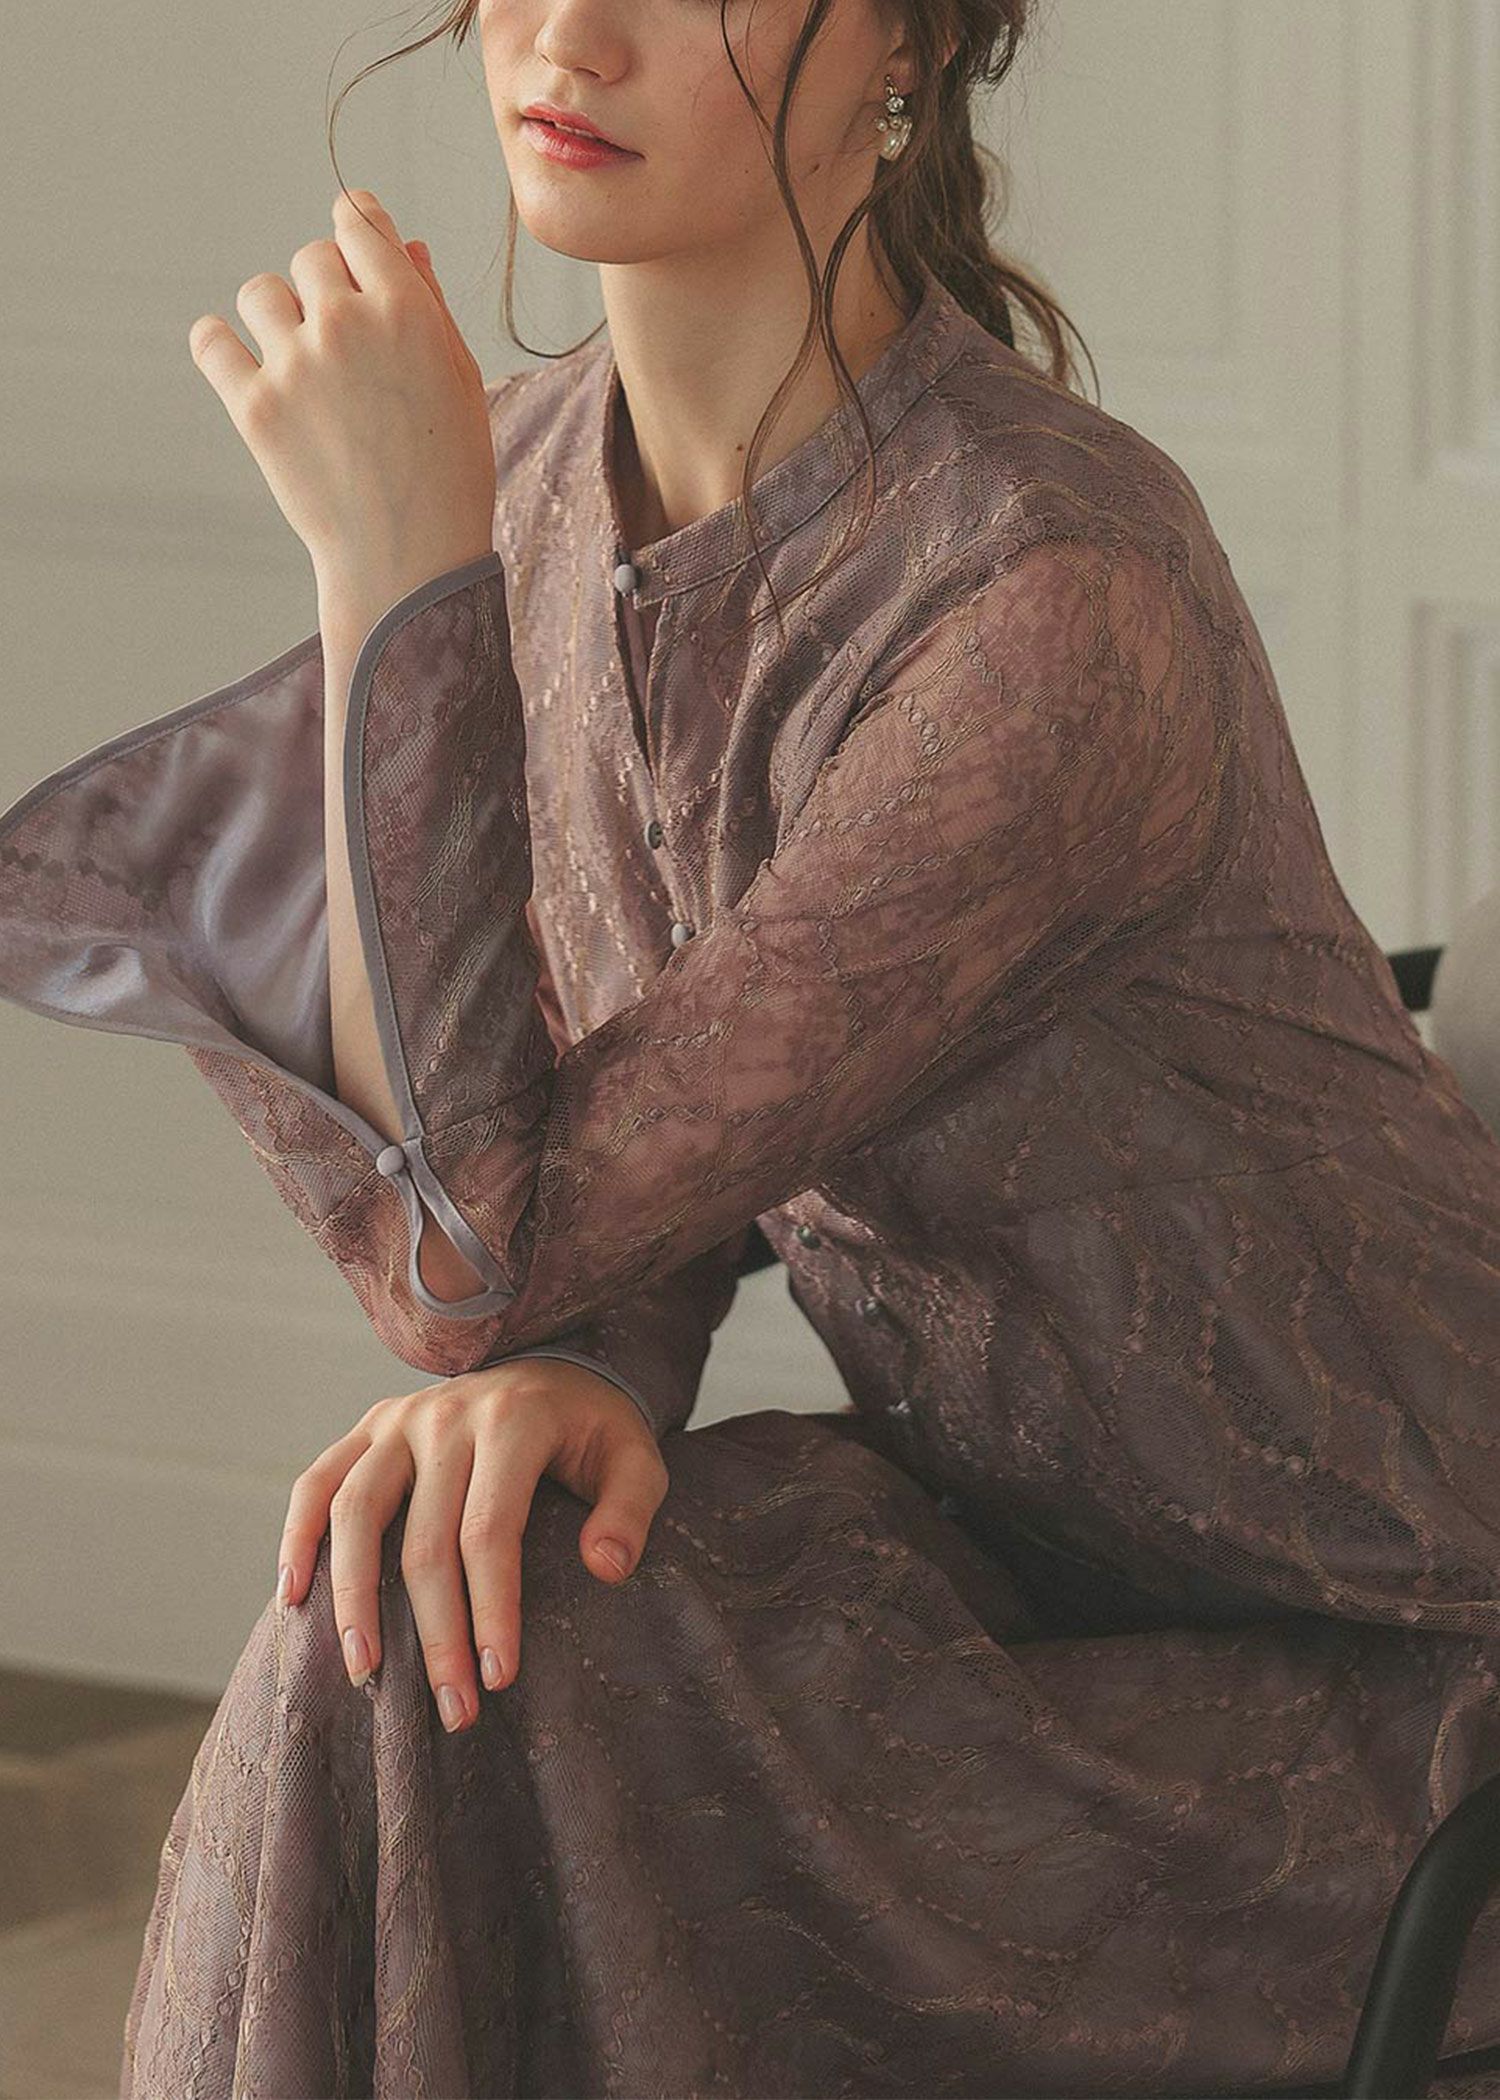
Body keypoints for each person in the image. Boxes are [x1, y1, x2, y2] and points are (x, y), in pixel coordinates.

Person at [2, 1, 1500, 2093]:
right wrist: (583, 1368)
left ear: (911, 44)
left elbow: (466, 1248)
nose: (568, 33)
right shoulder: (535, 484)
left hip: (1390, 1668)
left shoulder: (1049, 602)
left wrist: (386, 581)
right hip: (1025, 1565)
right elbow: (622, 1107)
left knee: (497, 1691)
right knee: (410, 1612)